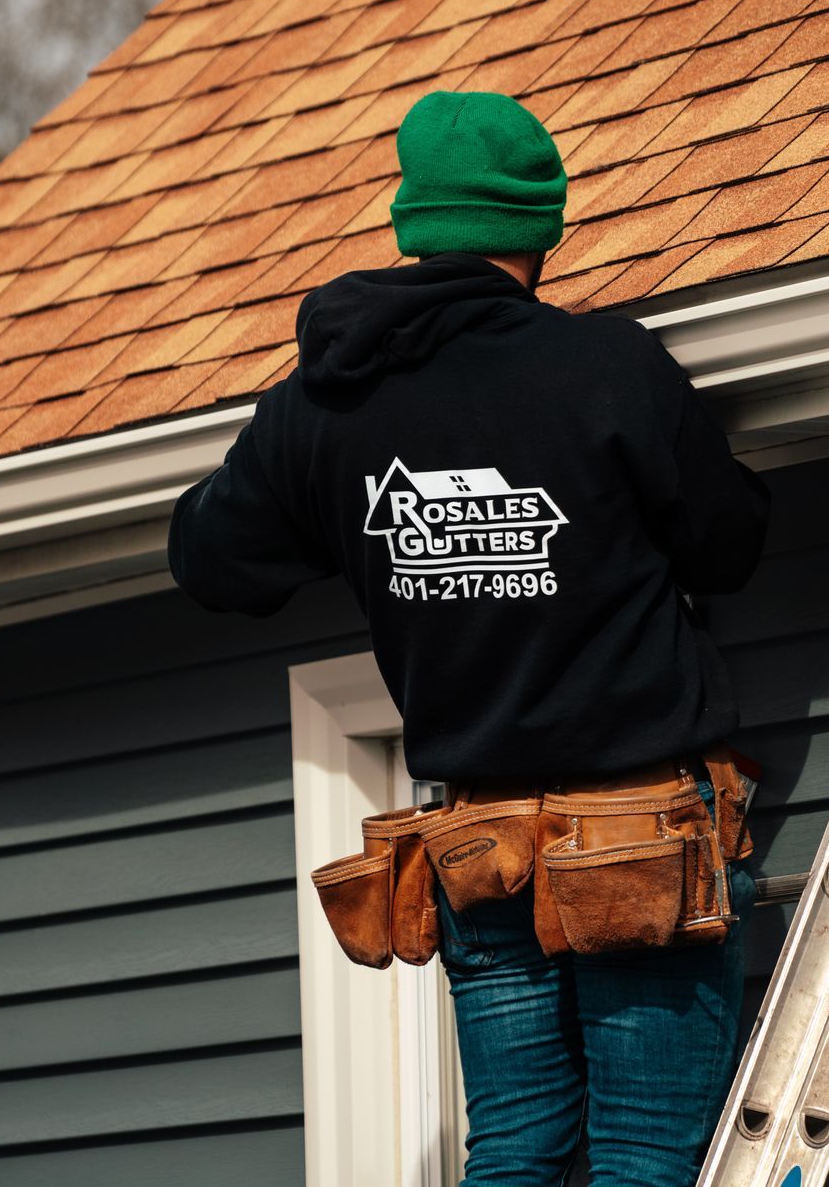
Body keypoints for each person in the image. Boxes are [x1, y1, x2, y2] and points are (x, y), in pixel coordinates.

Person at [168, 90, 771, 1187]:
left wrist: (363, 521)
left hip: (478, 852)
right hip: (636, 840)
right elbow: (729, 543)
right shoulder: (608, 368)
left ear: (413, 220)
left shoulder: (325, 408)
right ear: (542, 226)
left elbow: (210, 559)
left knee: (517, 1155)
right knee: (647, 1159)